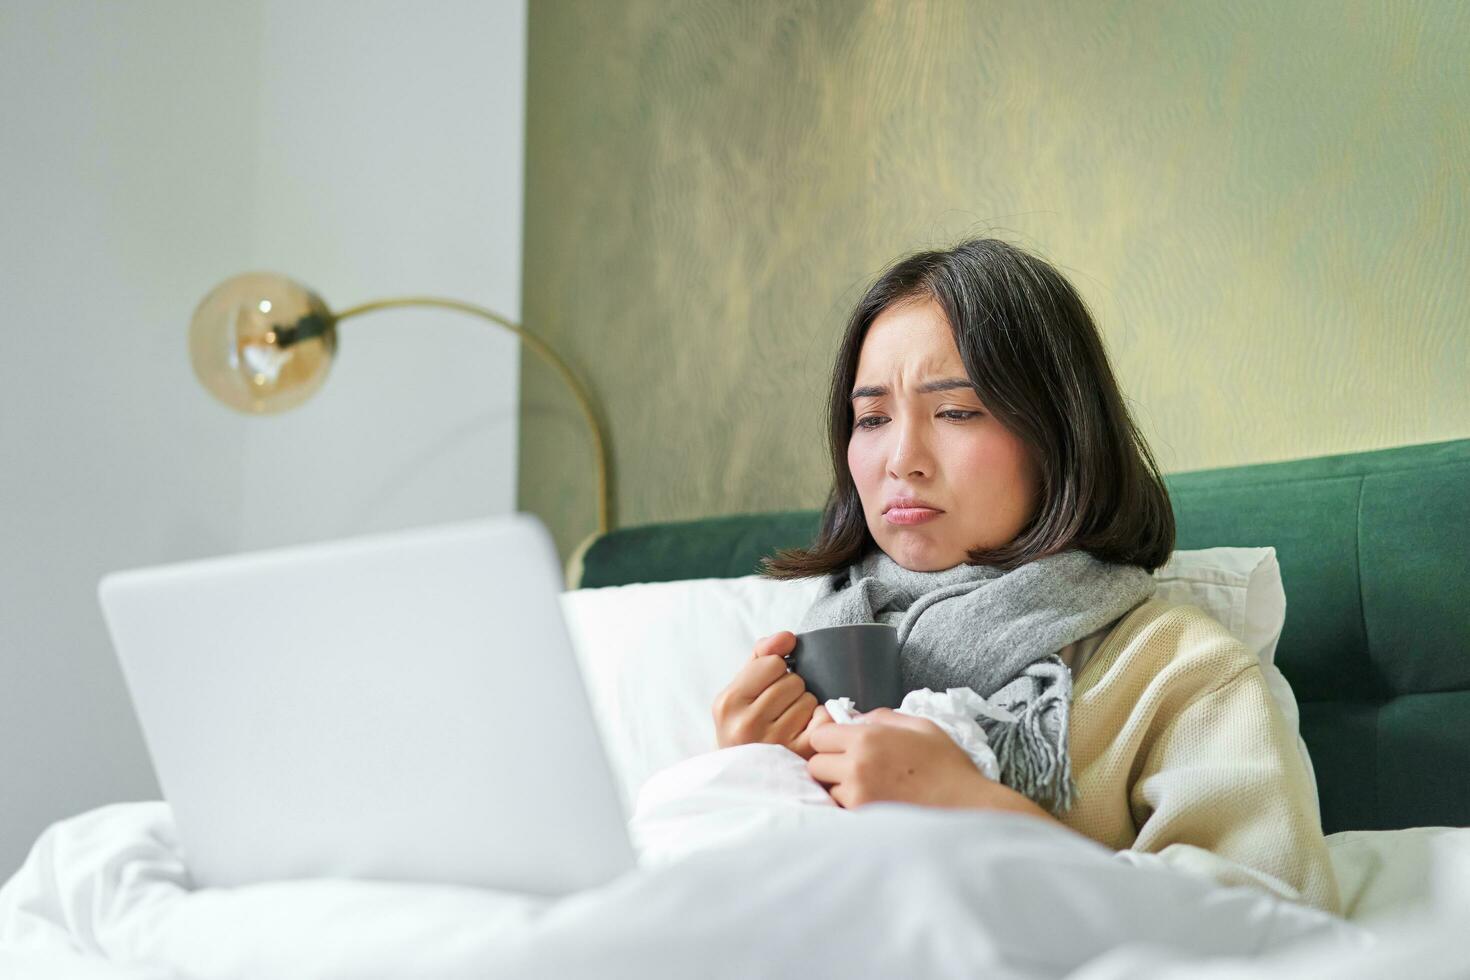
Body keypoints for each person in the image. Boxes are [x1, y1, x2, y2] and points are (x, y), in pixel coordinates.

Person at [709, 238, 1339, 913]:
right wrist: (747, 774)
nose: (901, 459)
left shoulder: (1179, 671)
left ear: (1059, 433)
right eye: (871, 418)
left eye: (955, 412)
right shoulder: (814, 651)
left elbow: (1277, 920)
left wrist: (975, 808)